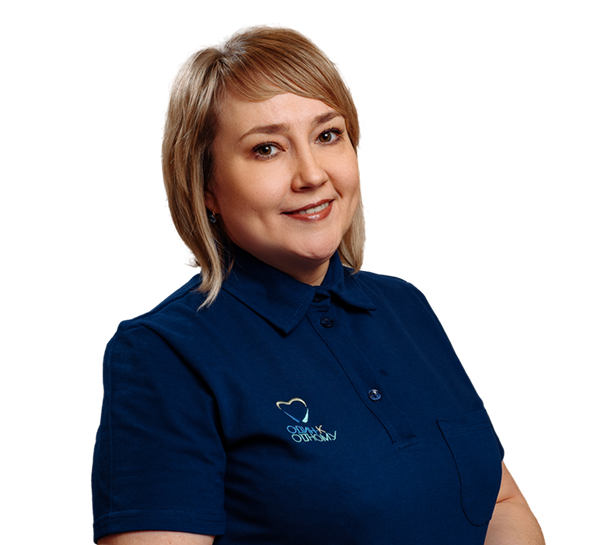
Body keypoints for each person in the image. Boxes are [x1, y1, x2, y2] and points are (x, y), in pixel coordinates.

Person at [91, 23, 545, 545]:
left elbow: (499, 503)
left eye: (327, 135)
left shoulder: (405, 306)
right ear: (206, 185)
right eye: (266, 148)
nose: (311, 175)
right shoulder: (162, 353)